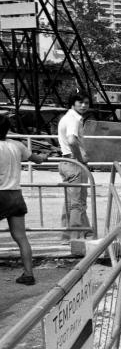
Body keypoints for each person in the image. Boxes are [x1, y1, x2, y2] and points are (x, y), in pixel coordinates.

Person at [0, 115, 49, 285]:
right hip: (15, 195)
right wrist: (44, 157)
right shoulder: (17, 145)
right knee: (21, 237)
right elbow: (37, 160)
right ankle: (28, 274)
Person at [57, 91, 91, 239]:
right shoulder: (74, 119)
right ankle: (76, 237)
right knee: (78, 203)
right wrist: (80, 158)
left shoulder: (66, 117)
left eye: (86, 103)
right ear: (73, 103)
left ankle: (68, 235)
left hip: (65, 162)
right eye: (80, 102)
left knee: (69, 201)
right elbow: (71, 140)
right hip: (74, 163)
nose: (84, 105)